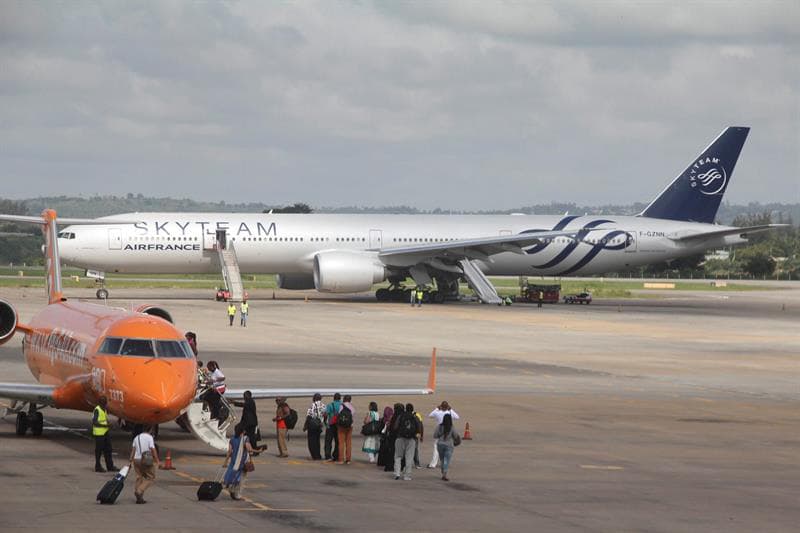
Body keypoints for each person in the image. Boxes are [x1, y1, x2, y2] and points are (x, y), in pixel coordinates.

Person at [223, 423, 254, 500]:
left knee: (234, 475)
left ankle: (232, 488)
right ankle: (237, 494)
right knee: (242, 478)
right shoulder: (245, 439)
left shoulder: (232, 439)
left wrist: (225, 461)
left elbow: (229, 451)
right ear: (243, 431)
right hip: (242, 461)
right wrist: (254, 451)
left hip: (234, 461)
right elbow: (249, 449)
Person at [130, 425, 159, 504]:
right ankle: (139, 491)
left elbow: (133, 449)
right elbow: (153, 449)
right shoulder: (149, 438)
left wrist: (130, 460)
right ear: (150, 430)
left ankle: (139, 497)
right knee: (150, 477)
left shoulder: (137, 437)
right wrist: (157, 460)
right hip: (145, 460)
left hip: (136, 459)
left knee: (139, 477)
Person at [428, 401, 459, 469]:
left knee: (436, 449)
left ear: (441, 407)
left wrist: (436, 408)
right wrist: (450, 409)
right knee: (447, 450)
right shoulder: (449, 413)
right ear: (447, 407)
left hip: (440, 432)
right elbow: (457, 417)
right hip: (448, 434)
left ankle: (433, 464)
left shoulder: (437, 413)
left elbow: (430, 415)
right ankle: (445, 464)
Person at [393, 403, 420, 480]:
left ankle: (397, 473)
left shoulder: (401, 416)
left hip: (400, 438)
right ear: (412, 409)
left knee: (398, 456)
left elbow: (395, 426)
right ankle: (407, 476)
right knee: (409, 458)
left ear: (405, 409)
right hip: (411, 439)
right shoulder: (414, 417)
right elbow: (418, 428)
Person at [92, 396, 118, 473]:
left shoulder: (104, 409)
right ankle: (98, 466)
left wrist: (108, 423)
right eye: (104, 402)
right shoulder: (97, 409)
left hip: (105, 432)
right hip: (99, 433)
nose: (105, 403)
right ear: (101, 403)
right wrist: (105, 425)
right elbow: (95, 422)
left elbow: (104, 419)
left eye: (105, 402)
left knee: (108, 449)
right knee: (99, 450)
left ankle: (110, 466)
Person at [434, 413, 457, 481]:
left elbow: (435, 435)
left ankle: (443, 471)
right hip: (449, 445)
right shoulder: (452, 427)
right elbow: (455, 435)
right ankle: (444, 474)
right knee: (447, 460)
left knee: (442, 459)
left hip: (440, 444)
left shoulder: (439, 426)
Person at [304, 393, 325, 460]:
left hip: (312, 426)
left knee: (311, 441)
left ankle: (314, 456)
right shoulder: (324, 406)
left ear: (314, 398)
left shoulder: (312, 405)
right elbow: (326, 415)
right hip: (319, 426)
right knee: (317, 441)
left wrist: (305, 426)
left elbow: (309, 416)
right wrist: (323, 423)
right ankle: (318, 455)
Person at [336, 394, 355, 465]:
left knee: (341, 443)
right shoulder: (352, 407)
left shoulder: (341, 406)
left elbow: (339, 414)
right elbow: (352, 415)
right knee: (348, 443)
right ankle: (348, 459)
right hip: (349, 426)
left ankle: (341, 459)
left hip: (341, 426)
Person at [324, 393, 342, 461]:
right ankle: (336, 455)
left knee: (328, 441)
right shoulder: (342, 405)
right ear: (340, 398)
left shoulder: (330, 405)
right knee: (338, 441)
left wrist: (325, 422)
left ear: (334, 398)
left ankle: (328, 456)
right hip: (339, 425)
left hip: (331, 425)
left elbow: (325, 414)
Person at [376, 405, 395, 470]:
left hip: (383, 437)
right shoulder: (391, 420)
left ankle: (381, 462)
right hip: (388, 437)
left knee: (382, 450)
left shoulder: (382, 419)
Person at [411, 404, 424, 469]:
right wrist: (421, 435)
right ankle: (417, 464)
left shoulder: (404, 414)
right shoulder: (417, 415)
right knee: (415, 450)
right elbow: (421, 426)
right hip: (415, 435)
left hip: (407, 435)